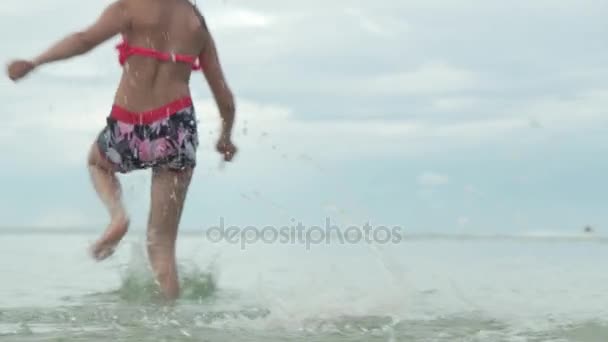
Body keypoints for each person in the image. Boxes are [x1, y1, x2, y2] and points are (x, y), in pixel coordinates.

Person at [6, 0, 237, 301]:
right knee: (162, 246)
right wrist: (226, 138)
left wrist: (36, 62)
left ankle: (117, 215)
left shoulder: (131, 6)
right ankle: (170, 325)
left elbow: (83, 40)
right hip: (176, 129)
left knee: (98, 162)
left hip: (131, 122)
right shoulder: (196, 22)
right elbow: (224, 95)